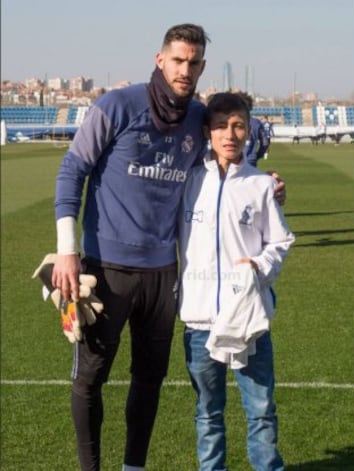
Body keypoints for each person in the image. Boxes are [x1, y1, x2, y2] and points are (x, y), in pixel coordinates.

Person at [51, 24, 286, 471]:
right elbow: (72, 171)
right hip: (106, 268)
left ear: (202, 67)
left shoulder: (199, 119)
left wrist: (264, 182)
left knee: (150, 379)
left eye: (194, 62)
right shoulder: (116, 106)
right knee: (90, 378)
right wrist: (67, 248)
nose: (185, 69)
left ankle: (132, 467)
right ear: (160, 60)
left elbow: (230, 152)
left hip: (163, 275)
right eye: (178, 60)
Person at [177, 92, 295, 471]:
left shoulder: (260, 185)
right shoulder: (189, 181)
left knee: (260, 411)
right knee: (208, 413)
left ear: (248, 130)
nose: (230, 133)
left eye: (238, 125)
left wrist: (259, 266)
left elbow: (281, 241)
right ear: (208, 130)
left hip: (249, 320)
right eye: (220, 125)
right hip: (199, 322)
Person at [239, 92, 269, 167]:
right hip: (251, 160)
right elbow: (265, 143)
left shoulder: (230, 122)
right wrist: (258, 155)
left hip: (234, 161)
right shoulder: (256, 123)